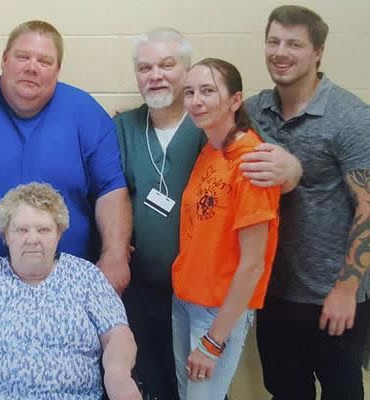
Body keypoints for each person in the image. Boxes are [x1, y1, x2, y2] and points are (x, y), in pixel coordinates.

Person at [113, 28, 300, 399]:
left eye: (167, 65)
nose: (156, 75)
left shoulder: (238, 149)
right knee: (177, 388)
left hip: (215, 304)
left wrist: (292, 168)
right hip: (171, 295)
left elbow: (254, 257)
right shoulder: (207, 149)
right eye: (145, 67)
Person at [0, 20, 132, 299]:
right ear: (4, 60)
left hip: (67, 284)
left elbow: (111, 189)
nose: (32, 67)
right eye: (22, 56)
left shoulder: (86, 113)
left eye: (44, 61)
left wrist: (115, 254)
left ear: (57, 70)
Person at [245, 6, 370, 399]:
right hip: (274, 292)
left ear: (318, 52)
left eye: (294, 44)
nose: (280, 52)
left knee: (341, 391)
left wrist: (347, 289)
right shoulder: (253, 111)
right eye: (273, 41)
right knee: (285, 391)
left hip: (333, 295)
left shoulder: (350, 117)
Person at [0, 182, 140, 400]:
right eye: (21, 230)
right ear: (6, 235)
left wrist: (118, 376)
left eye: (43, 229)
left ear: (59, 234)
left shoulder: (86, 277)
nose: (32, 239)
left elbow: (118, 335)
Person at [171, 58, 280, 400]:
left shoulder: (250, 161)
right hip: (184, 300)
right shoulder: (209, 150)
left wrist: (214, 340)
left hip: (217, 313)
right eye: (189, 92)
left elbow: (253, 264)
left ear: (235, 100)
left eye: (207, 91)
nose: (196, 101)